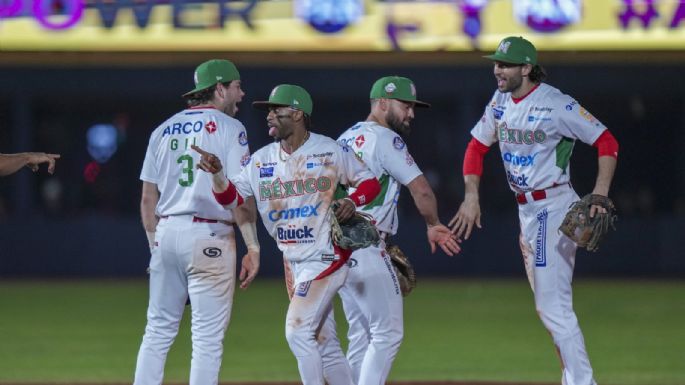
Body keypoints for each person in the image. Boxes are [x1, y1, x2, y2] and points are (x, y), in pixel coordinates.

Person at [449, 36, 619, 385]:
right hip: (527, 212)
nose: (498, 70)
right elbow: (476, 147)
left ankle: (583, 382)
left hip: (553, 207)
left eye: (505, 64)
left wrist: (599, 194)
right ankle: (572, 379)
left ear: (526, 68)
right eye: (496, 63)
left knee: (553, 308)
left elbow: (606, 141)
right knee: (551, 308)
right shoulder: (500, 100)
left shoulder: (556, 103)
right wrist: (471, 195)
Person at [193, 84, 382, 385]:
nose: (268, 116)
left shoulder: (329, 150)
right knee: (324, 343)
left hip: (326, 256)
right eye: (267, 111)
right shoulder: (260, 161)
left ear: (297, 113)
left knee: (297, 331)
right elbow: (231, 199)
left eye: (275, 110)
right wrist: (216, 173)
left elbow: (370, 183)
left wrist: (351, 200)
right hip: (293, 261)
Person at [317, 75, 461, 385]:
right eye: (405, 105)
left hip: (338, 245)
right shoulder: (385, 139)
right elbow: (421, 189)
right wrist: (434, 224)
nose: (411, 113)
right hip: (366, 241)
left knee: (361, 335)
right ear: (383, 103)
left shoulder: (344, 137)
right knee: (388, 332)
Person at [134, 59, 261, 385]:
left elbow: (148, 201)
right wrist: (253, 246)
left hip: (166, 234)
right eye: (236, 86)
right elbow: (241, 197)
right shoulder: (232, 128)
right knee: (206, 338)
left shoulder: (161, 129)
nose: (242, 93)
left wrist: (155, 249)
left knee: (157, 331)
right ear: (219, 89)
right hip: (210, 235)